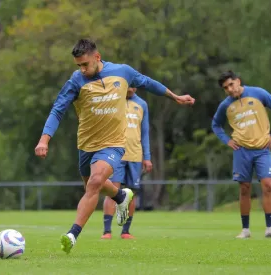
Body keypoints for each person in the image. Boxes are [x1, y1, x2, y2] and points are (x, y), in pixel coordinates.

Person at [34, 38, 195, 254]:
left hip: (114, 144)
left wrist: (174, 96)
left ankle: (72, 234)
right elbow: (57, 110)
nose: (82, 69)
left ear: (97, 58)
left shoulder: (122, 72)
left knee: (95, 182)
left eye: (85, 64)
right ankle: (121, 196)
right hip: (86, 144)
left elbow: (148, 82)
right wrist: (44, 139)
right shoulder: (76, 81)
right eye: (78, 66)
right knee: (95, 187)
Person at [211, 70, 271, 239]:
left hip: (262, 150)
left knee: (268, 185)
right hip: (241, 151)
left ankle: (270, 228)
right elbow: (216, 125)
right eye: (225, 88)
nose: (230, 89)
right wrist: (227, 140)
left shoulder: (258, 93)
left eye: (231, 84)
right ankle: (245, 229)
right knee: (244, 189)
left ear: (238, 81)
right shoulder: (225, 105)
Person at [101, 87, 152, 240]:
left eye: (133, 84)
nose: (130, 87)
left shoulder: (142, 104)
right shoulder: (114, 101)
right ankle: (107, 232)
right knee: (112, 190)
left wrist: (147, 156)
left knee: (132, 194)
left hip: (135, 155)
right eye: (128, 84)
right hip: (116, 154)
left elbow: (145, 132)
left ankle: (126, 231)